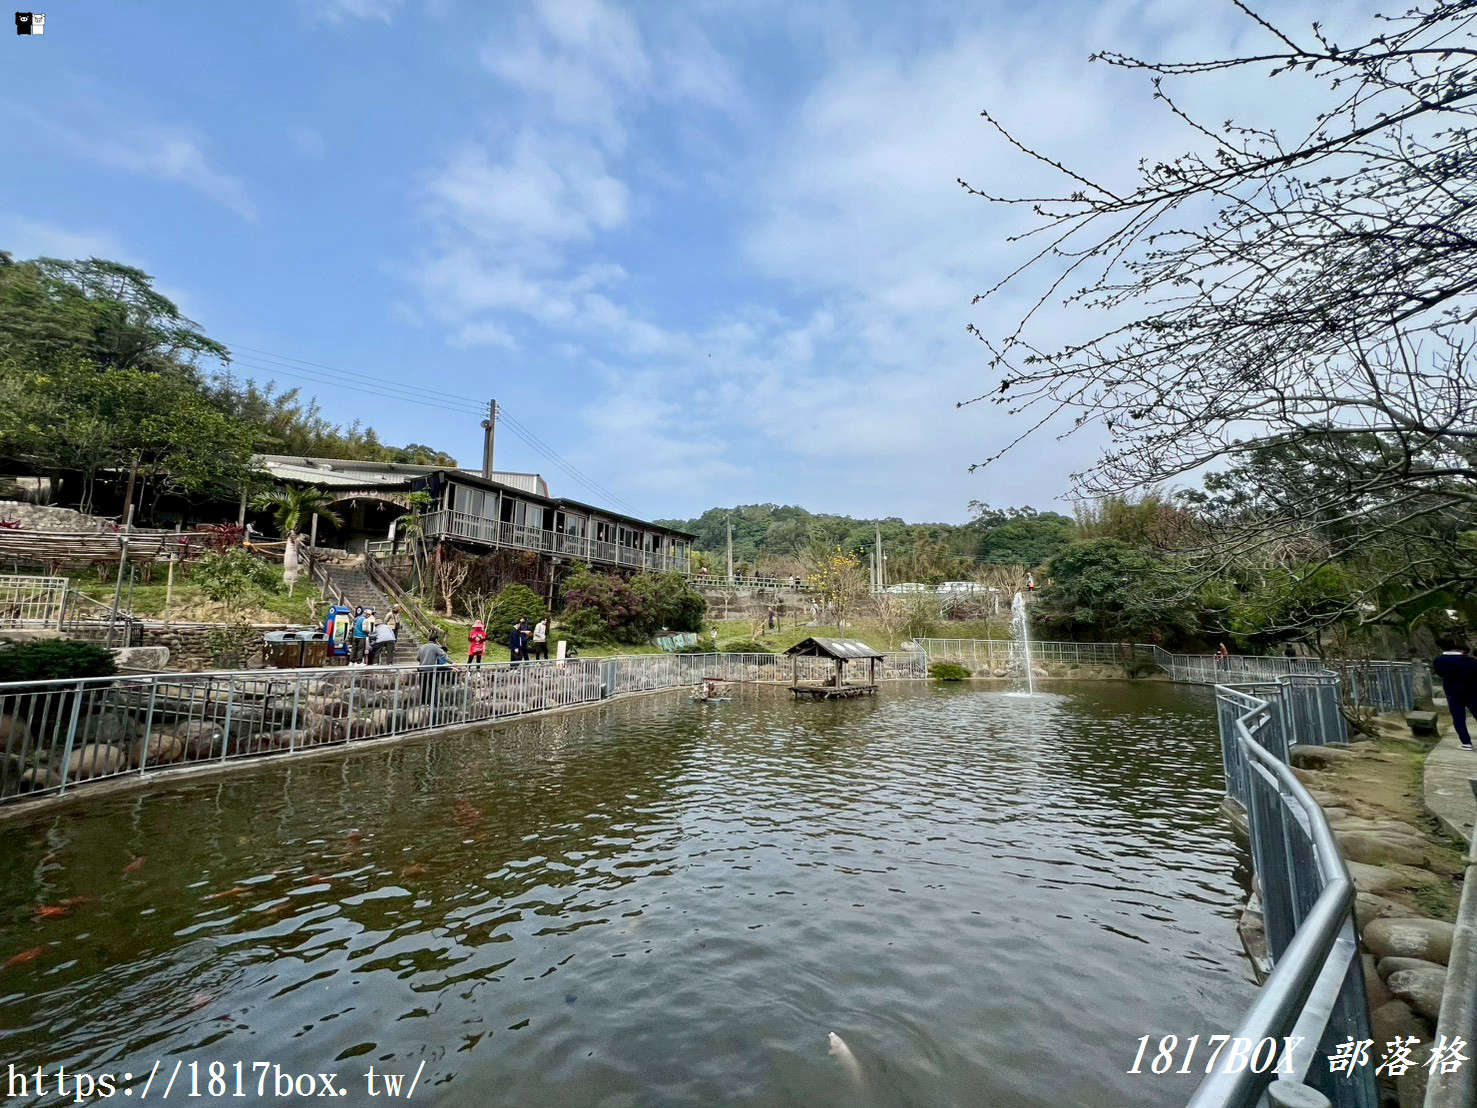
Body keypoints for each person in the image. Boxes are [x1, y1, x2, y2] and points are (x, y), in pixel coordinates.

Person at [1433, 639, 1477, 751]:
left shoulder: (1439, 661)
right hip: (1471, 691)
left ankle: (1466, 743)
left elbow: (1440, 674)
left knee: (1458, 718)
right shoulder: (1470, 661)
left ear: (1440, 647)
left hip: (1452, 692)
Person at [418, 631, 450, 706]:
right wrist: (452, 663)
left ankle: (423, 703)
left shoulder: (422, 647)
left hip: (421, 669)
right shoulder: (436, 647)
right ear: (436, 640)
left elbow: (418, 658)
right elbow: (443, 655)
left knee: (423, 687)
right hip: (431, 670)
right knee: (433, 687)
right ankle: (433, 703)